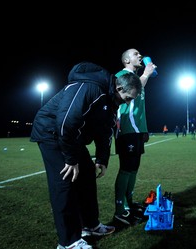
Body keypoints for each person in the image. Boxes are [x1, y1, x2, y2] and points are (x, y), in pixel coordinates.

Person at [30, 61, 142, 249]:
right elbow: (66, 121)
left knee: (87, 175)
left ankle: (90, 225)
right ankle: (69, 242)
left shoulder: (111, 100)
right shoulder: (90, 87)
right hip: (52, 133)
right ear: (119, 87)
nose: (127, 102)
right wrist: (71, 159)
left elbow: (105, 132)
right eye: (128, 97)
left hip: (71, 137)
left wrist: (102, 159)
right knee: (64, 183)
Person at [113, 48, 157, 226]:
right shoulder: (121, 74)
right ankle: (119, 209)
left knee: (134, 168)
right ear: (126, 60)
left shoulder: (138, 78)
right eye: (136, 54)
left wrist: (144, 129)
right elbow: (132, 90)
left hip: (137, 129)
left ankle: (129, 203)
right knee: (126, 168)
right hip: (126, 128)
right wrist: (146, 74)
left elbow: (140, 108)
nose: (140, 56)